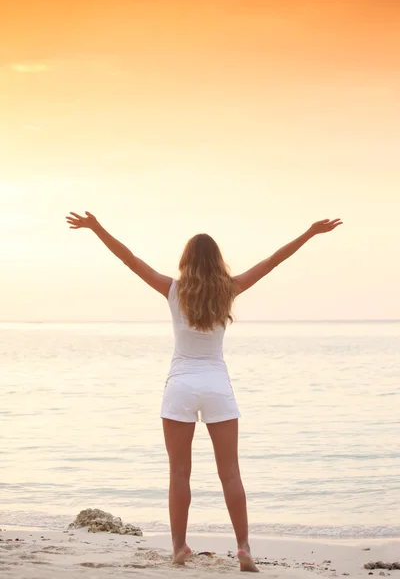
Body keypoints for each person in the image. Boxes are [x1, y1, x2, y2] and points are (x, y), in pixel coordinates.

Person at [65, 211, 342, 571]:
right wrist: (309, 232)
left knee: (179, 472)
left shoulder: (172, 289)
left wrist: (97, 228)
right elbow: (273, 261)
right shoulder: (229, 289)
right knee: (231, 473)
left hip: (180, 386)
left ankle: (179, 548)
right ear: (217, 261)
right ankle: (243, 548)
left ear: (186, 261)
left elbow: (129, 259)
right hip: (217, 387)